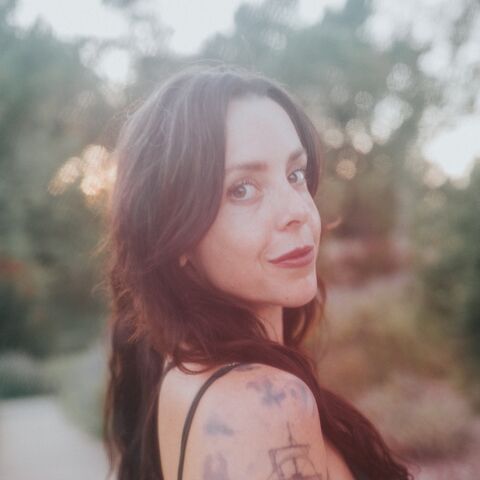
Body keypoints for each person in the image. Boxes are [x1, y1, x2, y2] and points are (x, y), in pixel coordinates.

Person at [102, 64, 413, 480]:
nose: (297, 211)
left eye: (295, 174)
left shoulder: (179, 367)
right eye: (242, 189)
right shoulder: (262, 407)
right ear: (175, 233)